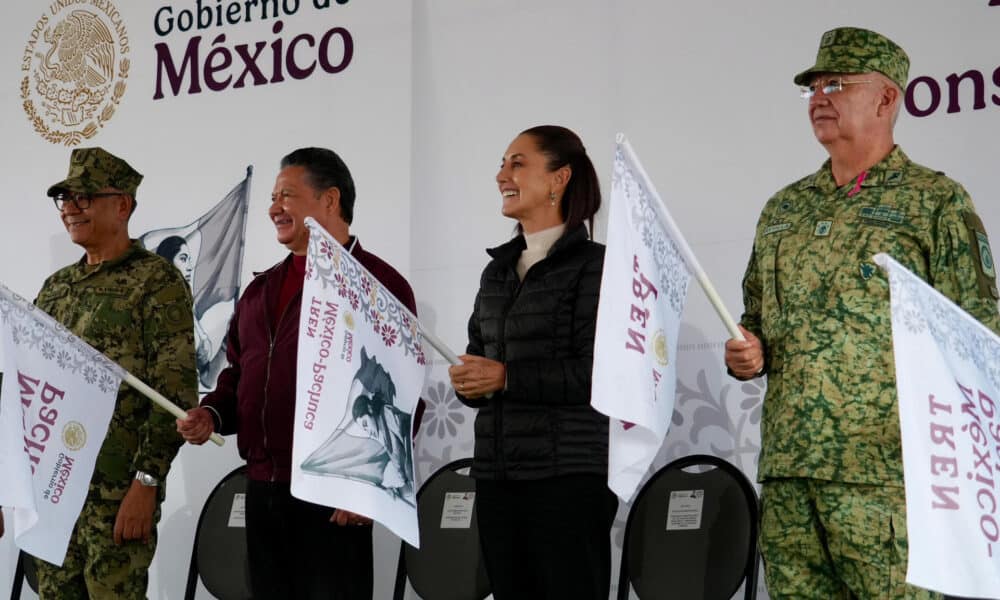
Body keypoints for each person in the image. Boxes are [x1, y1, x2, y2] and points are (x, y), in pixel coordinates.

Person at [724, 27, 1000, 598]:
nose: (820, 97)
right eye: (814, 87)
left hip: (889, 477)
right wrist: (747, 354)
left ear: (885, 98)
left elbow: (979, 337)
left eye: (837, 84)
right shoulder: (784, 207)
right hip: (789, 471)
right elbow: (755, 318)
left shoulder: (934, 201)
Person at [176, 147, 417, 600]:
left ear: (330, 200)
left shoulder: (378, 285)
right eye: (271, 196)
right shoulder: (259, 290)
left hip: (333, 494)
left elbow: (402, 398)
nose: (272, 208)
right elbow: (237, 375)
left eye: (287, 194)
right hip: (263, 488)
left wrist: (365, 489)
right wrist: (212, 414)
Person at [447, 125, 617, 599]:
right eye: (502, 163)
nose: (501, 174)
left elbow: (597, 374)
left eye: (517, 162)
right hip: (498, 477)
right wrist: (470, 382)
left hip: (567, 478)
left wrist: (505, 378)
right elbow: (481, 357)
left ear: (559, 178)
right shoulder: (496, 270)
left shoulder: (597, 265)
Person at [34, 147, 197, 598]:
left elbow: (174, 392)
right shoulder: (55, 289)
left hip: (115, 496)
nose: (70, 207)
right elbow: (28, 389)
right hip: (53, 492)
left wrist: (146, 482)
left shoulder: (156, 281)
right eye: (65, 198)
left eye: (84, 197)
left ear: (122, 205)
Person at [155, 235, 214, 366]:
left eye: (189, 260)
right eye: (183, 259)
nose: (190, 267)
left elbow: (205, 374)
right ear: (167, 262)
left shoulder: (186, 305)